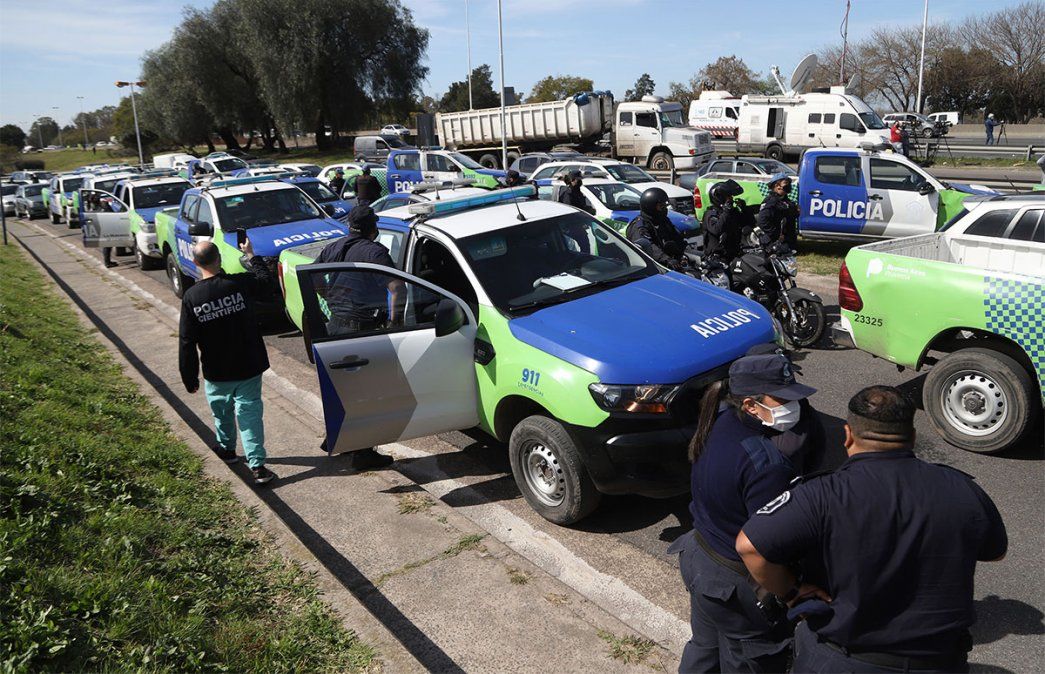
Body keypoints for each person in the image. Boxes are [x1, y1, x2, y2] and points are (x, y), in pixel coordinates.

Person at [737, 385, 1007, 674]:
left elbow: (749, 546)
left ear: (848, 435)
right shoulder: (961, 488)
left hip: (844, 660)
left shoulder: (821, 495)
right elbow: (995, 552)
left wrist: (791, 592)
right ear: (912, 437)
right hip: (938, 661)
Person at [667, 352, 818, 672]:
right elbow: (768, 545)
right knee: (750, 661)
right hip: (734, 584)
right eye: (783, 400)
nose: (793, 407)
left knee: (705, 650)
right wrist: (792, 592)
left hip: (699, 557)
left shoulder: (719, 422)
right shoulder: (767, 465)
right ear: (750, 405)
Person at [179, 240, 277, 485]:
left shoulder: (191, 297)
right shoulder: (239, 284)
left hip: (216, 370)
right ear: (219, 259)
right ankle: (257, 466)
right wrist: (251, 255)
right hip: (249, 364)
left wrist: (189, 376)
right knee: (249, 414)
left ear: (195, 262)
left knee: (221, 411)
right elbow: (266, 281)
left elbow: (187, 341)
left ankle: (227, 449)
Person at [312, 204, 401, 470]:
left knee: (344, 389)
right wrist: (395, 323)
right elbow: (397, 287)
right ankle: (362, 454)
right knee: (366, 394)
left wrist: (330, 297)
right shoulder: (375, 252)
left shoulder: (333, 248)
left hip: (335, 327)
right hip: (361, 330)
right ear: (372, 228)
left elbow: (313, 278)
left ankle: (339, 437)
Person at [626, 187, 688, 270]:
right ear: (650, 207)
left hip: (669, 262)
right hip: (650, 267)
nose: (664, 209)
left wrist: (685, 251)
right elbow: (649, 248)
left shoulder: (663, 221)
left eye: (665, 205)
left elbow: (676, 237)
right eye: (661, 206)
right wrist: (667, 259)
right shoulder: (640, 226)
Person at [702, 179, 745, 265]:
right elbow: (716, 230)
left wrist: (745, 209)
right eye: (728, 196)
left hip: (733, 253)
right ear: (719, 197)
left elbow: (749, 223)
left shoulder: (731, 212)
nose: (731, 198)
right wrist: (726, 211)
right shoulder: (711, 214)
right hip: (717, 257)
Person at [754, 173, 799, 249]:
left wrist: (796, 211)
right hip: (775, 243)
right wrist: (776, 235)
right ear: (777, 186)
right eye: (786, 183)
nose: (788, 186)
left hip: (788, 242)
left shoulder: (787, 201)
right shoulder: (771, 201)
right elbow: (762, 220)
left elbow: (789, 218)